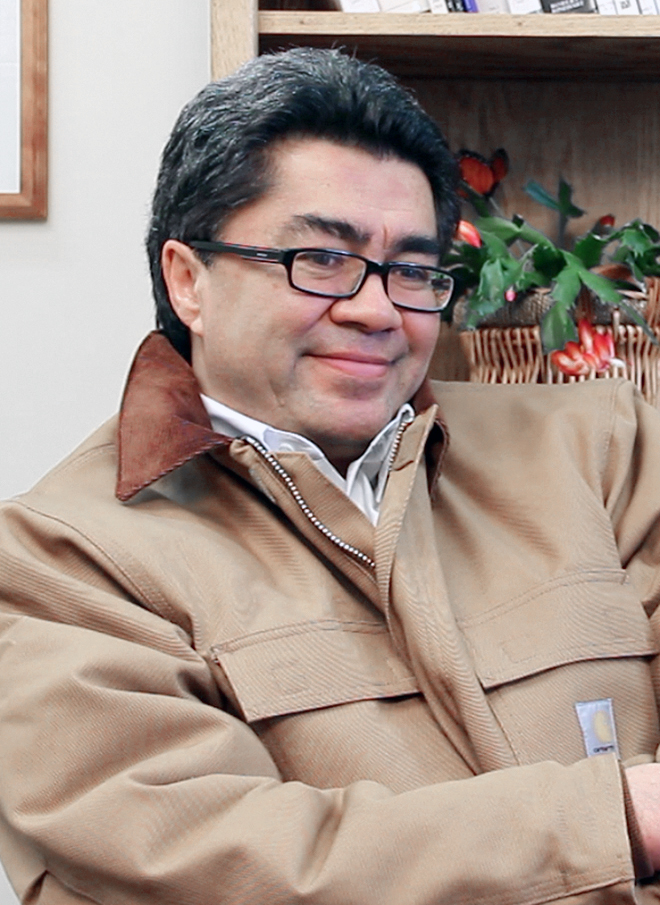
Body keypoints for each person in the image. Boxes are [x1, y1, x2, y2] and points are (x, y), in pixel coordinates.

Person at [1, 46, 660, 905]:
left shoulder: (602, 445)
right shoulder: (60, 561)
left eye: (413, 269)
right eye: (320, 259)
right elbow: (218, 868)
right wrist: (622, 818)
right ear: (188, 280)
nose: (377, 309)